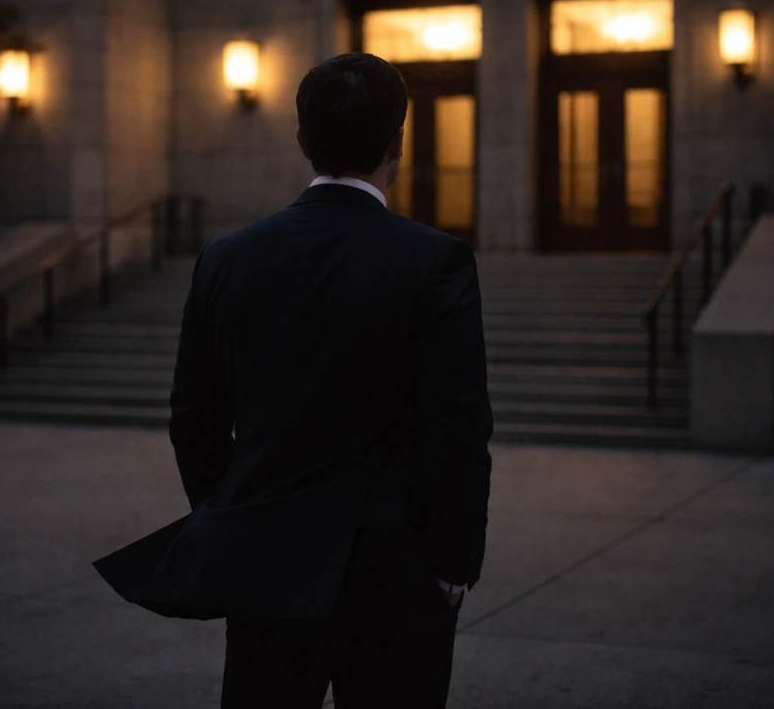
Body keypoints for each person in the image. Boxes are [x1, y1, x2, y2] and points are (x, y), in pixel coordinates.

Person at [92, 52, 493, 709]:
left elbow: (192, 419)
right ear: (398, 140)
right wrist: (454, 566)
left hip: (264, 567)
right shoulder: (435, 262)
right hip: (394, 578)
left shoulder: (226, 258)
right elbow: (456, 429)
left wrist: (233, 527)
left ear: (302, 138)